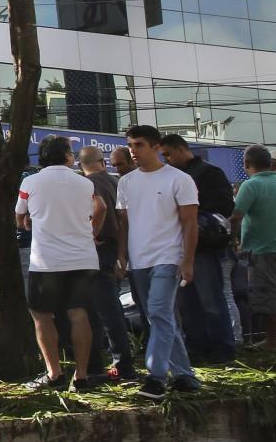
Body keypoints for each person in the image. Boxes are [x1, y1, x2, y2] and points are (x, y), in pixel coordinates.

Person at [119, 124, 202, 399]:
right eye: (130, 145)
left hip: (168, 256)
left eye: (139, 145)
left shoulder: (178, 179)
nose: (133, 151)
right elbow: (124, 223)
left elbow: (190, 224)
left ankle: (155, 377)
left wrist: (187, 261)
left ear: (156, 147)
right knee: (162, 318)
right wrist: (122, 255)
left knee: (157, 313)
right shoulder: (126, 182)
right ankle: (184, 375)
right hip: (139, 260)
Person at [16, 136, 105, 391]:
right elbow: (101, 208)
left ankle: (54, 374)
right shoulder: (84, 183)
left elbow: (19, 215)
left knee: (42, 316)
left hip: (47, 261)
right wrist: (91, 233)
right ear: (67, 156)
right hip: (83, 257)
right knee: (79, 314)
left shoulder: (30, 182)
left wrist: (27, 222)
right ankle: (82, 375)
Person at [160, 133, 240, 362]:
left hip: (203, 245)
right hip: (179, 244)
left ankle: (222, 350)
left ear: (180, 149)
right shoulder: (172, 176)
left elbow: (225, 206)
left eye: (167, 154)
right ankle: (197, 349)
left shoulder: (209, 172)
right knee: (187, 303)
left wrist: (194, 214)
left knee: (210, 300)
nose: (166, 159)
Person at [79, 146, 138, 380]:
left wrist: (90, 236)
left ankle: (119, 365)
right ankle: (118, 362)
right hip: (119, 248)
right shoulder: (117, 182)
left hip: (99, 249)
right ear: (102, 162)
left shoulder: (87, 186)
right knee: (111, 309)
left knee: (103, 311)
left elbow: (98, 210)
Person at [234, 145, 276, 346]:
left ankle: (273, 341)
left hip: (264, 249)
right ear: (270, 164)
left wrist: (233, 239)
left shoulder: (250, 185)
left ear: (246, 164)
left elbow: (237, 215)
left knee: (268, 298)